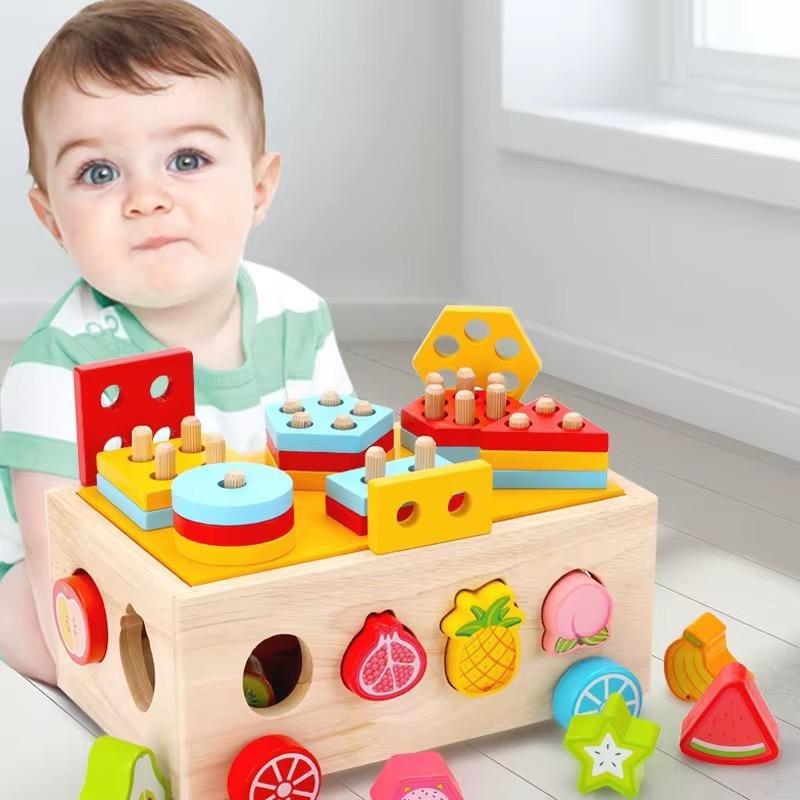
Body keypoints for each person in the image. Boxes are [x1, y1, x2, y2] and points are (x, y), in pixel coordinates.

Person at [0, 0, 353, 683]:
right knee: (42, 632)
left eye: (187, 159)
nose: (146, 197)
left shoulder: (296, 315)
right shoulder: (57, 365)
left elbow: (334, 474)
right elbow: (57, 552)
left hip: (243, 548)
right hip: (106, 572)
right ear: (52, 219)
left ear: (259, 188)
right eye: (99, 173)